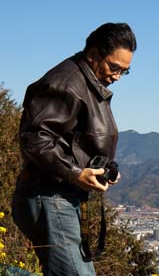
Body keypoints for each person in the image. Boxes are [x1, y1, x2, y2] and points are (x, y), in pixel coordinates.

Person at [12, 22, 137, 275]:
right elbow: (35, 138)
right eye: (114, 68)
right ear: (93, 54)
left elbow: (71, 141)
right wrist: (75, 173)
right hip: (49, 197)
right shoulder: (66, 83)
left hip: (59, 198)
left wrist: (97, 169)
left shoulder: (86, 83)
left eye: (125, 71)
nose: (117, 77)